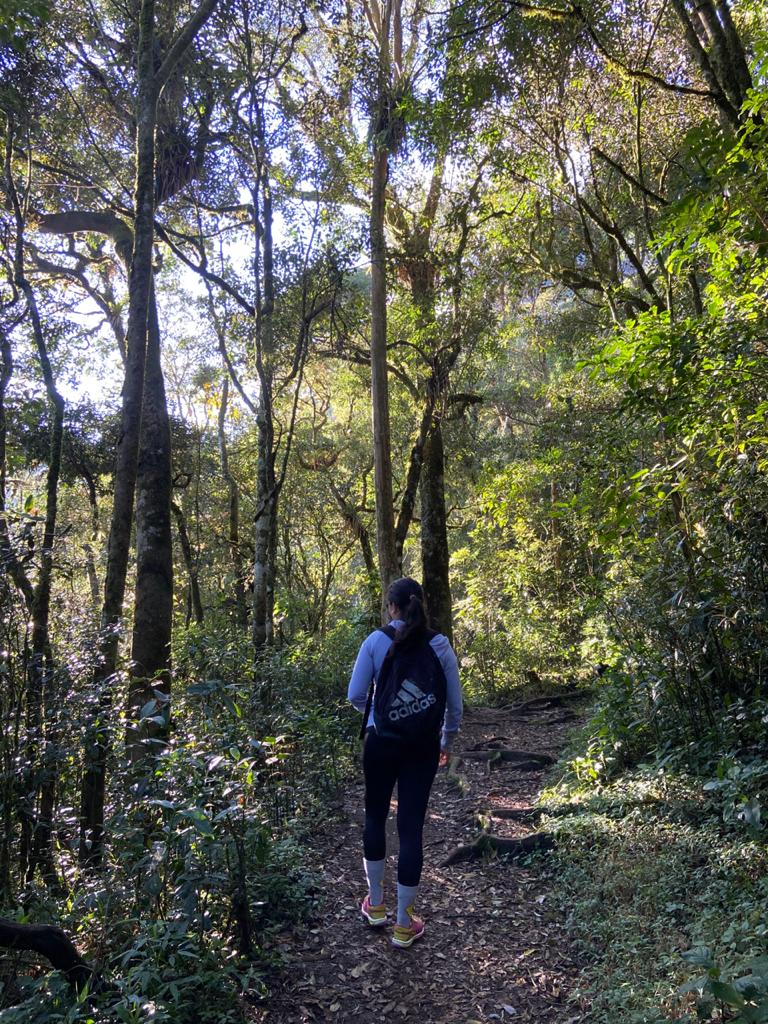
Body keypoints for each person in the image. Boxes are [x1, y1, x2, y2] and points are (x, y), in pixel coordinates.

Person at [347, 576, 462, 948]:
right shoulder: (440, 645)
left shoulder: (375, 641)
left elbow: (355, 694)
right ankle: (403, 924)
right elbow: (454, 706)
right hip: (421, 748)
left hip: (380, 743)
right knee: (411, 829)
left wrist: (380, 717)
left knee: (375, 817)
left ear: (392, 607)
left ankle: (375, 905)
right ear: (420, 604)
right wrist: (445, 740)